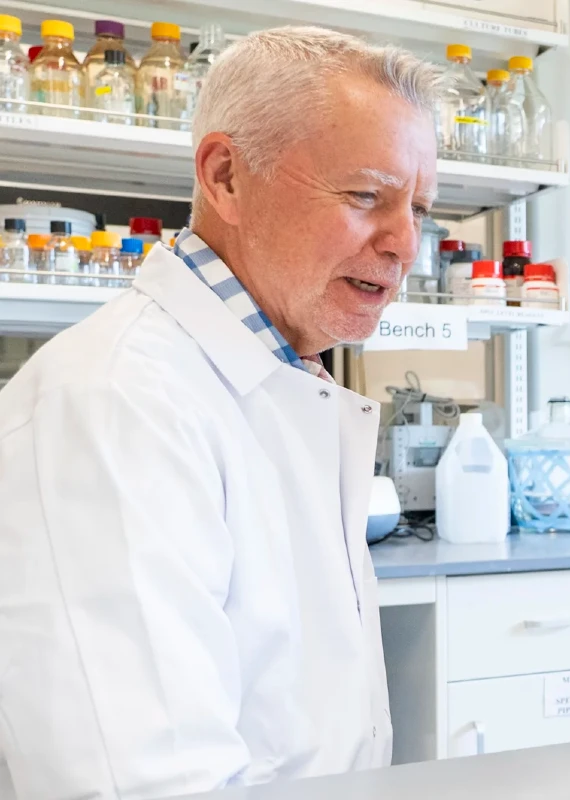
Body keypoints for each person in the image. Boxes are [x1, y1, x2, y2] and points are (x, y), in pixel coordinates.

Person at [0, 27, 442, 799]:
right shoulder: (116, 402)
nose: (405, 243)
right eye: (367, 196)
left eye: (419, 209)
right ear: (227, 176)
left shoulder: (277, 379)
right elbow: (141, 781)